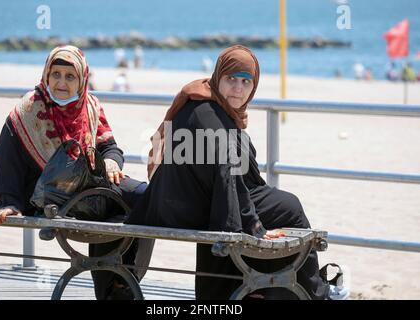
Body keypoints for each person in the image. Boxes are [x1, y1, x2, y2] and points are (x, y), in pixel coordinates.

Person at [126, 45, 348, 300]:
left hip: (183, 202)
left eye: (246, 82)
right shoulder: (209, 114)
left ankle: (257, 289)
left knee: (268, 204)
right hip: (192, 208)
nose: (238, 88)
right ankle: (314, 292)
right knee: (289, 207)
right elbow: (227, 171)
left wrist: (247, 215)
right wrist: (253, 225)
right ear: (218, 77)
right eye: (231, 79)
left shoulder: (202, 101)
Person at [0, 45, 154, 299]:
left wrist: (111, 162)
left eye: (70, 76)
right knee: (132, 200)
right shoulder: (27, 111)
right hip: (52, 198)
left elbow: (110, 147)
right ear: (46, 75)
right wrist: (9, 202)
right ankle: (116, 287)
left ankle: (122, 284)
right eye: (56, 74)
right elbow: (8, 160)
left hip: (92, 188)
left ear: (82, 79)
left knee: (147, 198)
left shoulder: (89, 105)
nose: (61, 83)